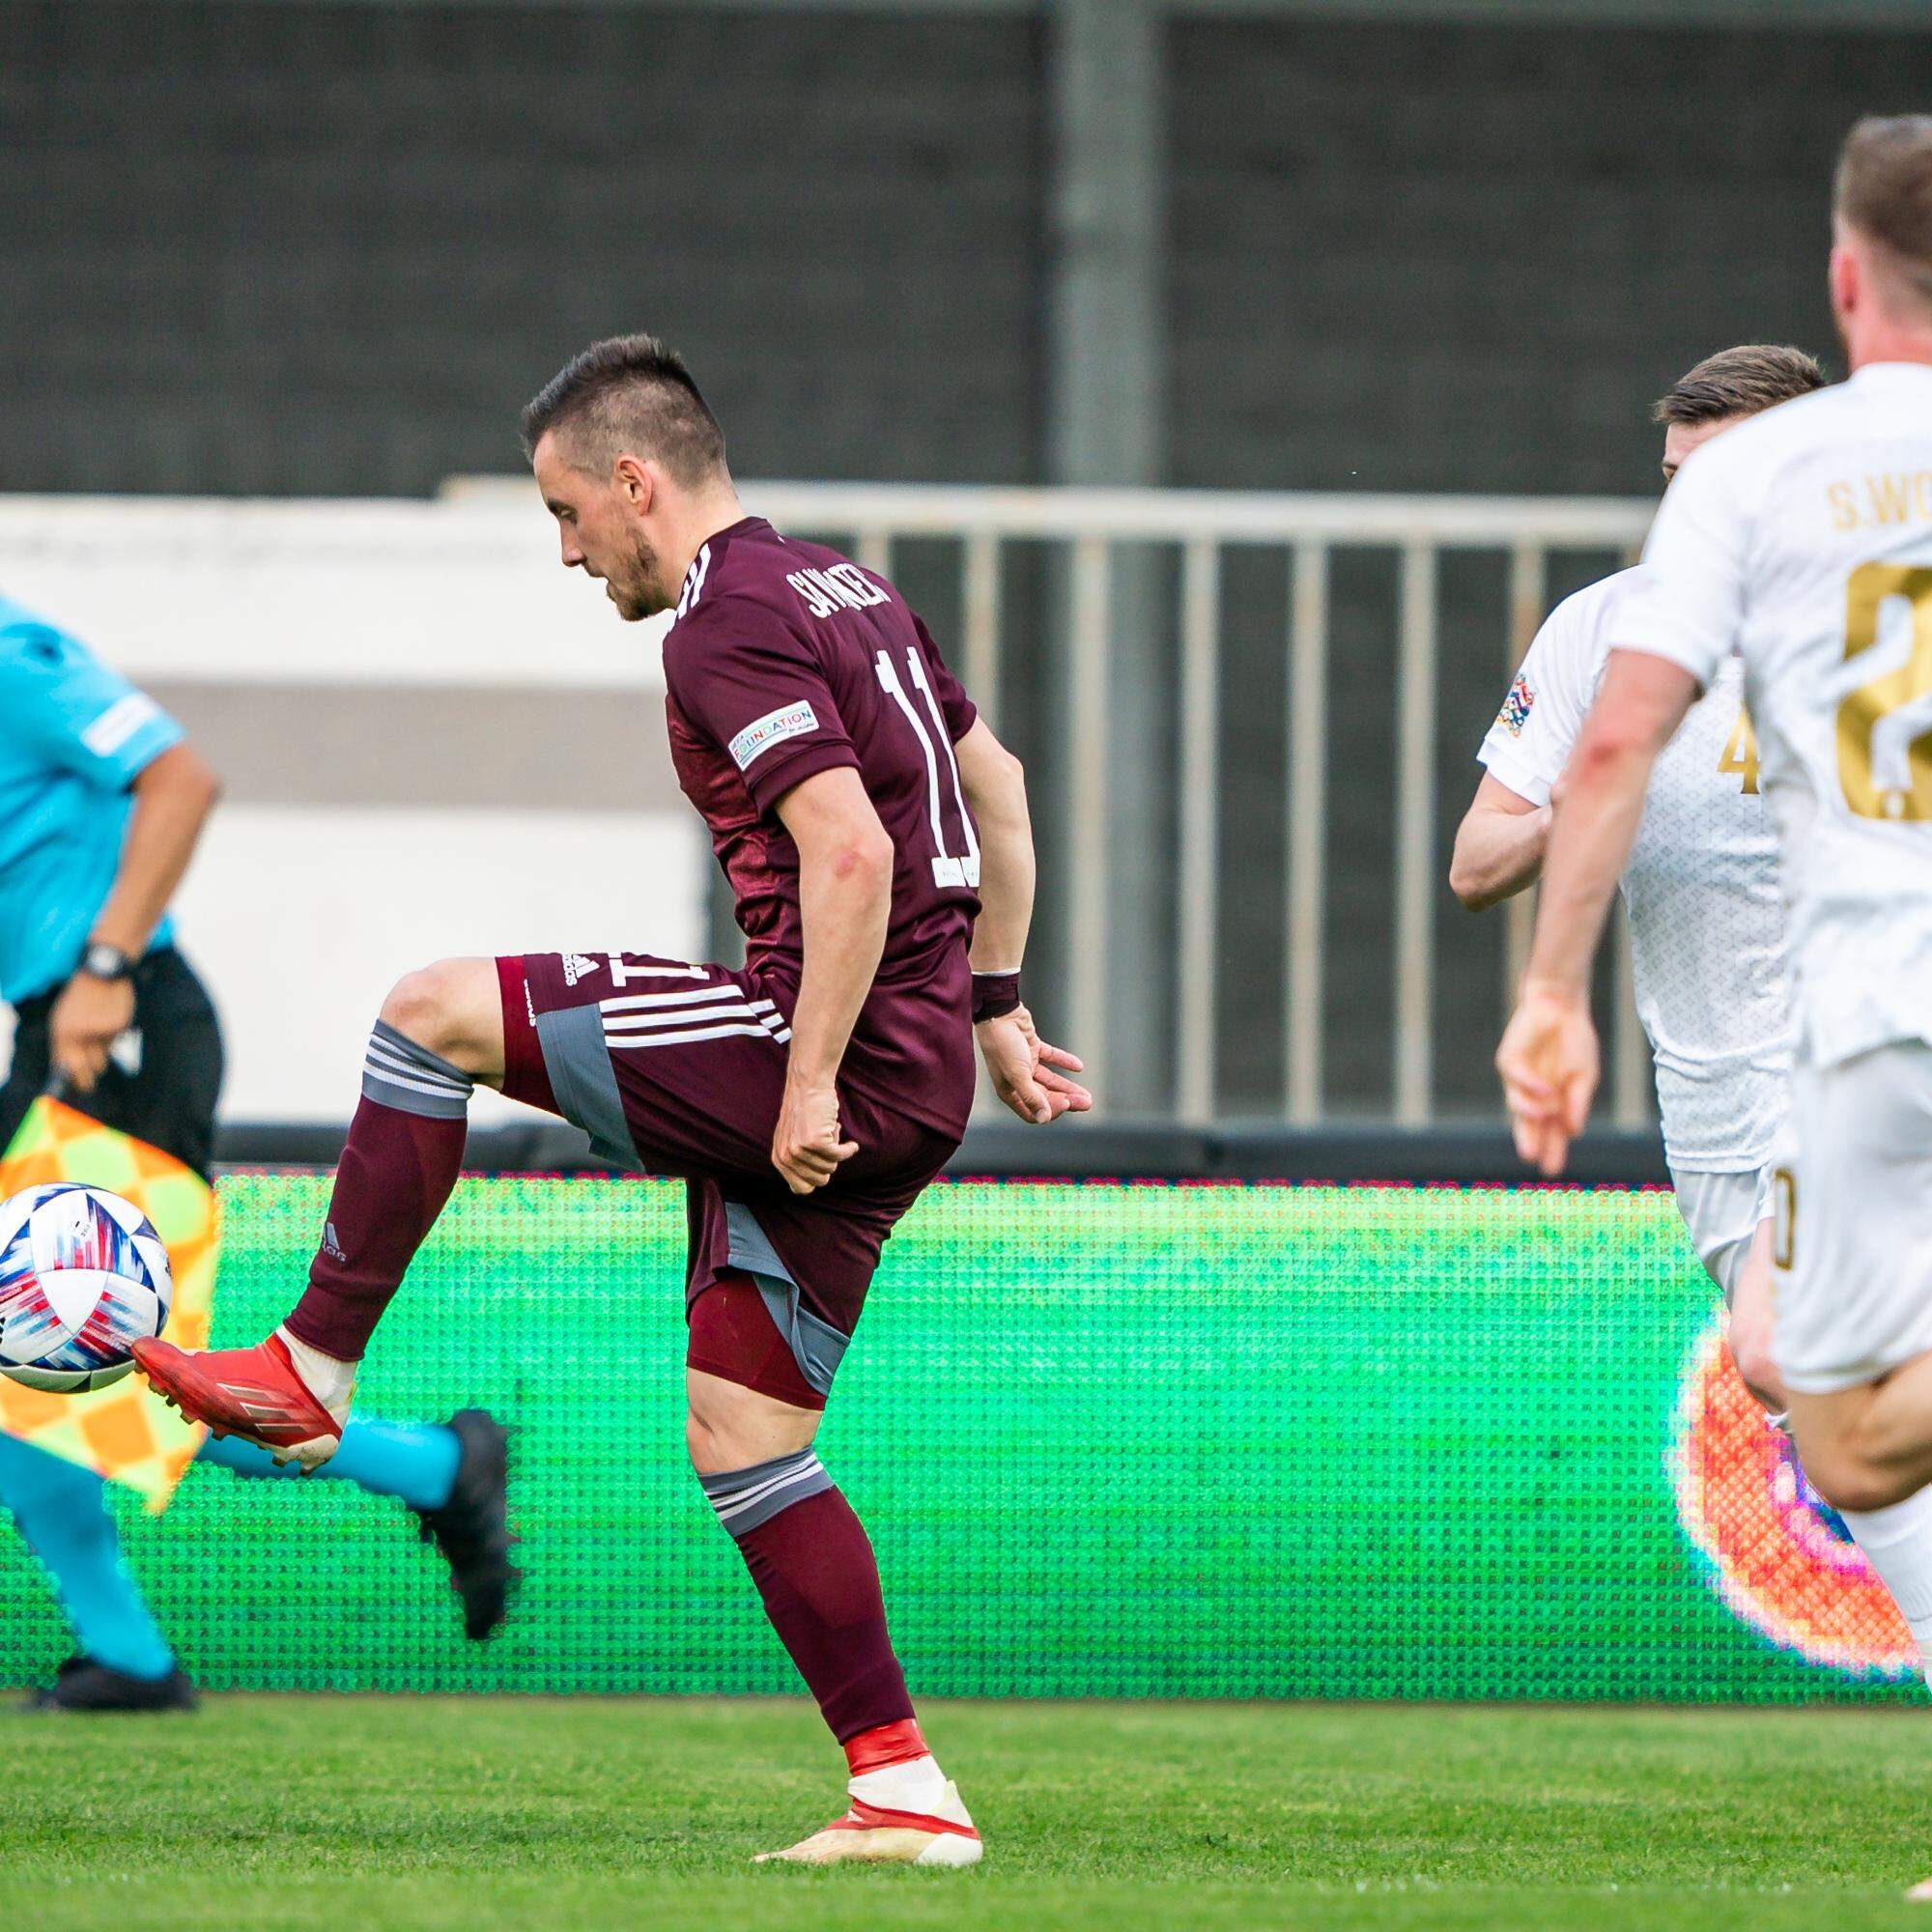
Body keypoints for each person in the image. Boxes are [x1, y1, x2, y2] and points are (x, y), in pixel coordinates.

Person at [134, 333, 1089, 1861]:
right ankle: (902, 1787)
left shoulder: (720, 627)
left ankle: (312, 1368)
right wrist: (993, 1005)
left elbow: (850, 852)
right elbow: (1002, 790)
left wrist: (809, 1073)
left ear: (637, 483)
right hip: (915, 1075)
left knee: (427, 1013)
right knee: (746, 1439)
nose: (570, 552)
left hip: (822, 1050)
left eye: (568, 515)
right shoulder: (852, 589)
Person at [1495, 120, 1932, 1893]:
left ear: (1844, 276)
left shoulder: (1767, 486)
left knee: (1822, 1385)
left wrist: (1550, 994)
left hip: (1876, 1015)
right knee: (1817, 1384)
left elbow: (1613, 741)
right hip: (1855, 1025)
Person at [0, 596, 518, 1711]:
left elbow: (181, 778)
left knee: (86, 1366)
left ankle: (437, 1466)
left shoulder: (14, 657)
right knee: (39, 1369)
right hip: (60, 1030)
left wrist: (104, 959)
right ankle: (136, 1648)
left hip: (117, 1024)